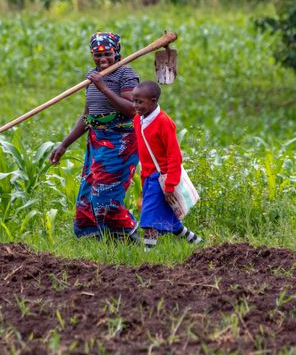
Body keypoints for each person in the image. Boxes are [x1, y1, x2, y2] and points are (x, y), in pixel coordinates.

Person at [49, 32, 141, 240]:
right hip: (97, 143)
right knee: (88, 196)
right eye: (97, 55)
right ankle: (96, 238)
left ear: (116, 52)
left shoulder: (125, 74)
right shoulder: (92, 76)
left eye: (107, 54)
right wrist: (64, 144)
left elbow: (132, 110)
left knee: (105, 195)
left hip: (120, 144)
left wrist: (102, 87)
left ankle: (131, 235)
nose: (102, 59)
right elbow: (87, 116)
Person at [132, 81, 203, 251]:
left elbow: (174, 155)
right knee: (169, 219)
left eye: (139, 102)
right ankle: (197, 242)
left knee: (148, 218)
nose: (135, 105)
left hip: (161, 178)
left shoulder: (163, 122)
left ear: (154, 100)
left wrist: (170, 184)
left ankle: (148, 255)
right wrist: (143, 182)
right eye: (134, 101)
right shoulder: (138, 120)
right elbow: (144, 154)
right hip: (149, 177)